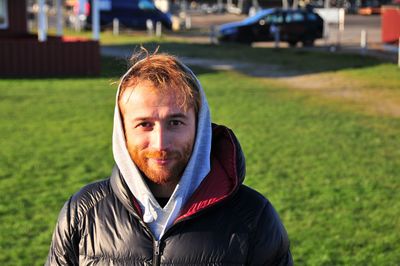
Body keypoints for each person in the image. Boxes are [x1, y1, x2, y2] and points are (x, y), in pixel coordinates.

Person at [46, 49, 293, 265]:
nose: (161, 143)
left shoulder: (254, 218)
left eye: (175, 122)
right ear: (121, 130)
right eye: (144, 124)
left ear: (200, 125)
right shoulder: (82, 214)